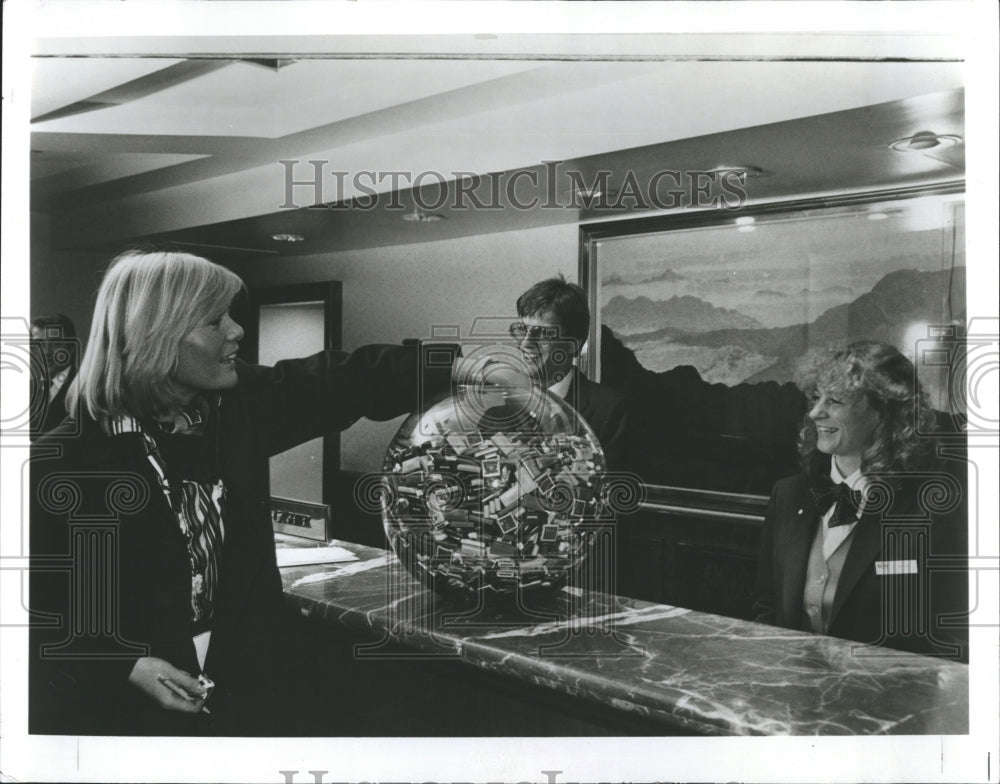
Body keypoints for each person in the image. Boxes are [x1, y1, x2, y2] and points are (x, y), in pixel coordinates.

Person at [30, 250, 455, 735]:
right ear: (155, 337)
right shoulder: (56, 463)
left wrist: (460, 366)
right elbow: (38, 606)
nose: (236, 330)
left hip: (247, 689)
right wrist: (121, 662)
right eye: (214, 320)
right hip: (123, 719)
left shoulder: (237, 409)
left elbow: (346, 379)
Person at [752, 341, 967, 661]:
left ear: (884, 413)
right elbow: (765, 609)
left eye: (835, 400)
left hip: (888, 704)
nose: (815, 412)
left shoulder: (933, 507)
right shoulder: (788, 495)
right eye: (816, 397)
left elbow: (950, 638)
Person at [509, 276, 629, 471]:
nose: (524, 343)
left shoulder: (610, 410)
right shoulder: (501, 406)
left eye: (542, 334)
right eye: (522, 330)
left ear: (573, 345)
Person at [29, 313, 78, 435]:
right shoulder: (27, 389)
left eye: (55, 343)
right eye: (39, 344)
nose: (46, 351)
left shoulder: (82, 388)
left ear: (71, 348)